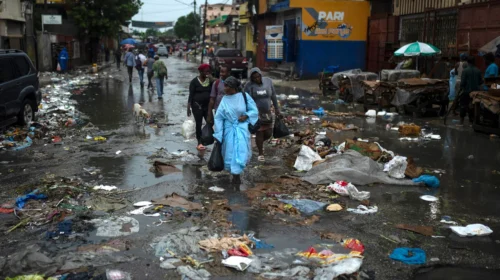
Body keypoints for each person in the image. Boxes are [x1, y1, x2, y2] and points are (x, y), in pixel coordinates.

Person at [213, 76, 259, 182]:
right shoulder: (224, 99)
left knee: (241, 151)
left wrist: (246, 116)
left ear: (233, 87)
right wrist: (218, 134)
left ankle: (237, 174)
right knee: (230, 152)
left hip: (241, 129)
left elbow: (254, 110)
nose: (224, 88)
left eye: (226, 86)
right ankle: (234, 175)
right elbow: (219, 117)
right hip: (229, 130)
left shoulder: (244, 96)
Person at [243, 67, 280, 162]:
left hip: (267, 113)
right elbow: (245, 99)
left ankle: (258, 143)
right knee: (259, 132)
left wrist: (277, 109)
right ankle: (260, 153)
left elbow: (273, 96)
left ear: (260, 75)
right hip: (256, 114)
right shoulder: (248, 86)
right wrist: (247, 113)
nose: (257, 79)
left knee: (268, 133)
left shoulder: (268, 81)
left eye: (258, 76)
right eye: (254, 78)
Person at [188, 64, 213, 151]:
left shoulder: (209, 81)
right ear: (201, 71)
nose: (207, 73)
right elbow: (191, 95)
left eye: (209, 71)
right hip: (197, 106)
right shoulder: (194, 81)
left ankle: (207, 139)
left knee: (210, 122)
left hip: (207, 106)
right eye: (206, 71)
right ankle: (199, 142)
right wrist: (188, 107)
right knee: (198, 124)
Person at [459, 55, 483, 126]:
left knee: (463, 105)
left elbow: (462, 82)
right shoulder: (478, 70)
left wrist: (461, 88)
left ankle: (461, 122)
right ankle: (472, 121)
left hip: (466, 91)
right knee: (473, 106)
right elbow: (480, 82)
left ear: (468, 62)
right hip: (475, 92)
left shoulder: (465, 71)